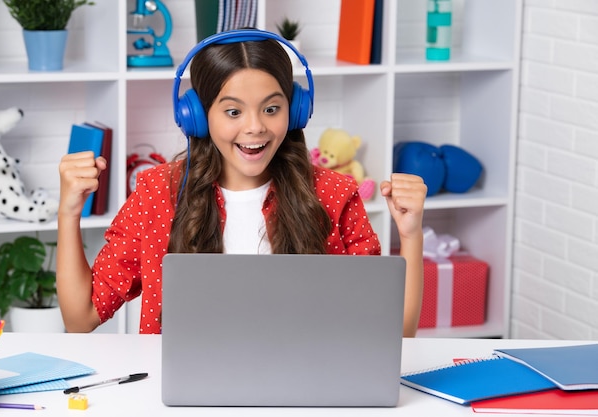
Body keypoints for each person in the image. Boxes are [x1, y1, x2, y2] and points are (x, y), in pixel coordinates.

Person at [57, 30, 427, 338]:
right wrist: (69, 211)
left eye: (271, 108)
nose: (255, 127)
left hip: (303, 389)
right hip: (187, 394)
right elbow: (81, 317)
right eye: (233, 111)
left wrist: (410, 235)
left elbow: (394, 332)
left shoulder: (333, 194)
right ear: (198, 116)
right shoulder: (159, 193)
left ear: (296, 110)